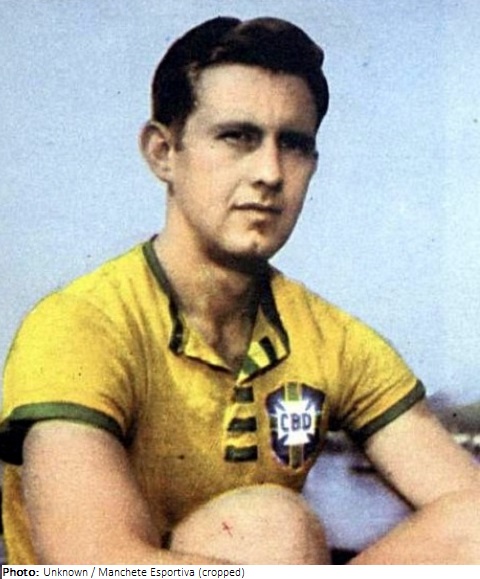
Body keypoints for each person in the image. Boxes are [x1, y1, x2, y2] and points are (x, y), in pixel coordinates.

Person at [0, 16, 479, 565]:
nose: (270, 173)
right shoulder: (79, 325)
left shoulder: (332, 338)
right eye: (237, 137)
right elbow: (93, 564)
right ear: (162, 152)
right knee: (266, 529)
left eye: (292, 144)